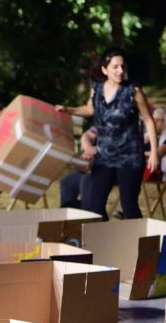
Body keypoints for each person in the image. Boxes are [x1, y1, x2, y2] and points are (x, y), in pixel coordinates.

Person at [56, 49, 159, 220]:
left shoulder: (133, 91)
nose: (120, 71)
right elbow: (89, 109)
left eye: (122, 66)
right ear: (105, 70)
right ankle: (103, 241)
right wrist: (68, 110)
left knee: (129, 205)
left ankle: (140, 243)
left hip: (130, 157)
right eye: (115, 67)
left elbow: (148, 120)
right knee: (94, 206)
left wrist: (154, 153)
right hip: (104, 158)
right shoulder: (96, 90)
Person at [146, 107, 166, 181]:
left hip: (162, 174)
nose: (153, 123)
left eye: (156, 120)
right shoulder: (159, 136)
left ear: (164, 122)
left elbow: (157, 153)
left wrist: (139, 153)